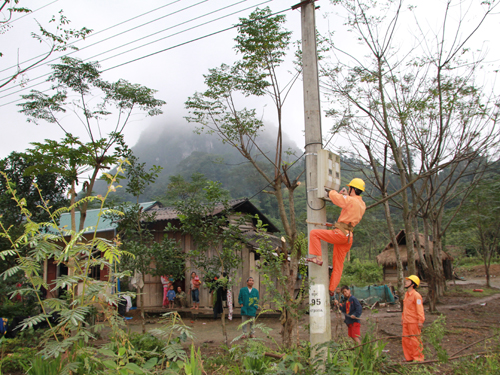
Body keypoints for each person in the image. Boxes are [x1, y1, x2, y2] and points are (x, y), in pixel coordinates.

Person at [306, 178, 366, 295]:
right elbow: (348, 203)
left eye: (349, 188)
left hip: (341, 233)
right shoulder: (362, 204)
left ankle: (318, 258)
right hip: (348, 236)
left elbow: (337, 198)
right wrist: (345, 195)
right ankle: (332, 289)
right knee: (338, 265)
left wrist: (330, 191)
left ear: (352, 189)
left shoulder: (349, 200)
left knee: (314, 233)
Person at [402, 275, 425, 362]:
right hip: (406, 321)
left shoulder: (416, 296)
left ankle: (418, 358)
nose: (406, 282)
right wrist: (403, 318)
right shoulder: (406, 295)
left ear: (412, 284)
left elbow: (420, 309)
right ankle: (409, 357)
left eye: (408, 281)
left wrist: (420, 321)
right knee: (406, 340)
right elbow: (405, 308)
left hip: (413, 322)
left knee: (415, 340)